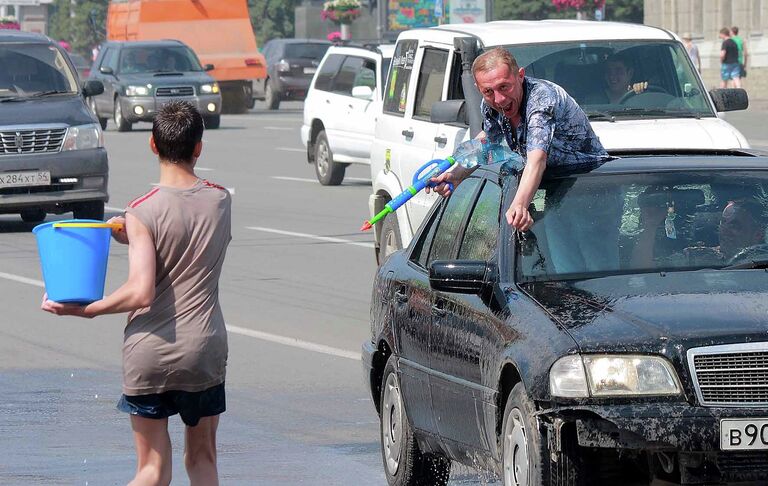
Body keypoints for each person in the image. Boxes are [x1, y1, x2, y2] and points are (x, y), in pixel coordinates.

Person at [41, 101, 232, 486]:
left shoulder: (141, 211)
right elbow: (185, 235)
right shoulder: (221, 200)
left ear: (152, 145)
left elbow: (141, 292)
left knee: (152, 471)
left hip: (149, 354)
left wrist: (88, 310)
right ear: (199, 148)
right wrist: (138, 234)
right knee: (202, 461)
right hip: (203, 351)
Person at [428, 47, 610, 232]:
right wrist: (456, 174)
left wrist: (519, 205)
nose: (499, 99)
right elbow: (490, 143)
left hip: (590, 189)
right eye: (488, 91)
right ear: (478, 89)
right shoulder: (489, 106)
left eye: (504, 87)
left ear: (520, 76)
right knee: (559, 260)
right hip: (551, 190)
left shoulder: (541, 99)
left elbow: (537, 159)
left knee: (595, 260)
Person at [583, 53, 649, 104]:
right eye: (608, 71)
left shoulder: (640, 95)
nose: (612, 76)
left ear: (630, 73)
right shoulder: (594, 101)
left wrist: (643, 91)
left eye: (618, 70)